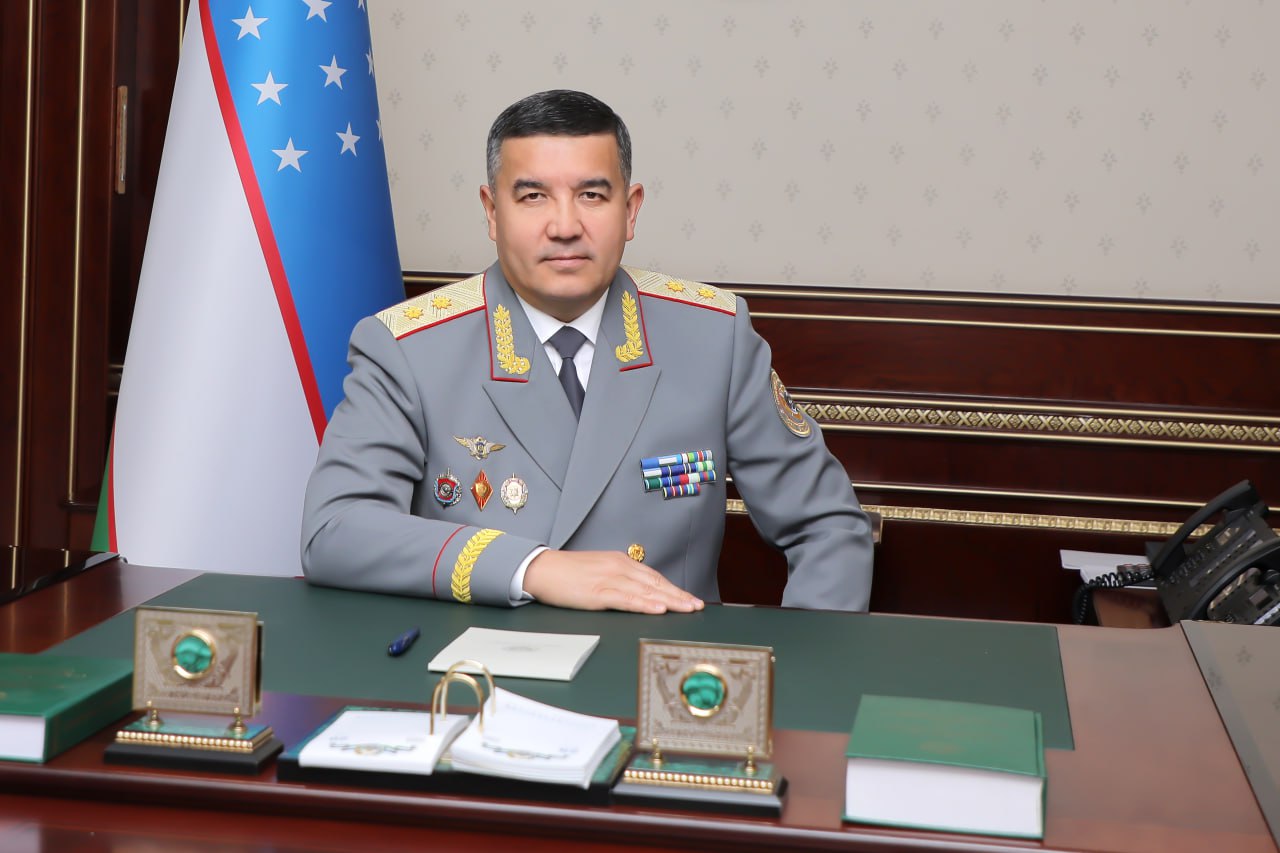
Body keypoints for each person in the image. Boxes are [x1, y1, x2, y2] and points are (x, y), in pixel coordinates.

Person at [301, 89, 874, 613]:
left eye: (592, 195)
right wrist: (532, 567)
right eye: (533, 197)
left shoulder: (712, 337)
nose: (565, 225)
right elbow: (335, 531)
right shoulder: (408, 348)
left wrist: (800, 674)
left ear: (631, 209)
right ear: (491, 211)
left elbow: (828, 527)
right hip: (481, 671)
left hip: (660, 670)